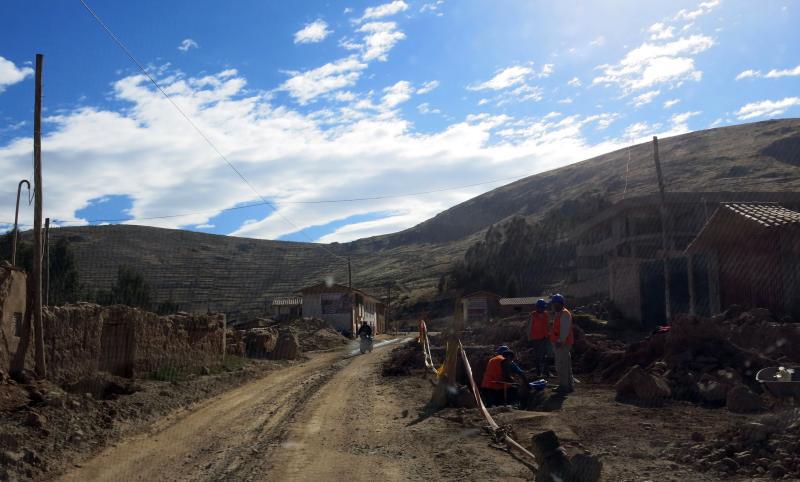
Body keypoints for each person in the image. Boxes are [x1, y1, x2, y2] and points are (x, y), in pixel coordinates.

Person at [549, 294, 574, 394]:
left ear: (560, 303)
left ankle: (564, 386)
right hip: (562, 343)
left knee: (561, 365)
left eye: (555, 304)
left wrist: (560, 341)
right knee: (566, 365)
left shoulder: (564, 314)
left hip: (562, 344)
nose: (553, 306)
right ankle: (568, 385)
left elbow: (565, 330)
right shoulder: (560, 313)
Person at [527, 299, 551, 378]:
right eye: (541, 307)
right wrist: (529, 337)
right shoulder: (533, 315)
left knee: (545, 355)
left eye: (543, 308)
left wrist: (550, 334)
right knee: (537, 356)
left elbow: (548, 325)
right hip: (536, 339)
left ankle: (546, 372)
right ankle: (538, 372)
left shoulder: (546, 314)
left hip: (545, 337)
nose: (542, 309)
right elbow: (529, 327)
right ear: (537, 307)